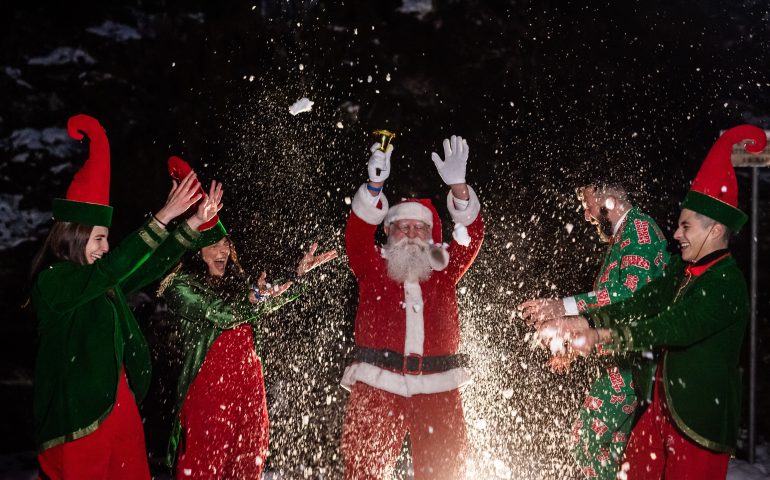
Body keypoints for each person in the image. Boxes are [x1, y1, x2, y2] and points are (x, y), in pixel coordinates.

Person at [29, 114, 223, 480]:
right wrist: (163, 216)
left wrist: (192, 223)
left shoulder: (102, 279)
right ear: (73, 236)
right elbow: (112, 269)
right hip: (77, 420)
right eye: (99, 238)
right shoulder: (53, 282)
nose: (106, 247)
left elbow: (145, 268)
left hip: (121, 409)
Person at [568, 125, 765, 479]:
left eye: (685, 227)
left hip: (698, 422)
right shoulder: (683, 270)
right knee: (627, 468)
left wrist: (604, 335)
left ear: (715, 230)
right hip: (662, 410)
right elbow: (642, 301)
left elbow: (673, 327)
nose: (675, 234)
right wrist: (588, 323)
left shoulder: (726, 283)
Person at [159, 157, 337, 479]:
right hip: (208, 398)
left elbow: (258, 299)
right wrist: (258, 298)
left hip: (249, 392)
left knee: (248, 467)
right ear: (194, 251)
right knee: (204, 470)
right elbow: (224, 313)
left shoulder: (239, 286)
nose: (223, 250)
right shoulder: (180, 287)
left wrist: (297, 277)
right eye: (212, 243)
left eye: (225, 241)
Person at [341, 135, 484, 479]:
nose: (410, 233)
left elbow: (472, 235)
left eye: (418, 227)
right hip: (376, 386)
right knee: (362, 471)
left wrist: (460, 189)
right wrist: (375, 186)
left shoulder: (443, 268)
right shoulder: (372, 265)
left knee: (445, 470)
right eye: (402, 227)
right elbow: (356, 236)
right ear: (388, 231)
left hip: (438, 388)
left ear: (432, 235)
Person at [519, 183, 669, 479]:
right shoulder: (625, 235)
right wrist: (573, 343)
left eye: (588, 203)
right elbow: (612, 307)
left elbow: (628, 295)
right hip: (622, 360)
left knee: (584, 443)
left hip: (633, 364)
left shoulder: (639, 231)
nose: (586, 213)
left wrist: (564, 307)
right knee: (614, 454)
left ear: (608, 197)